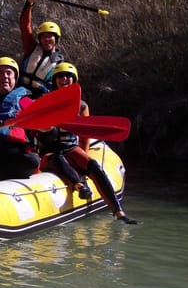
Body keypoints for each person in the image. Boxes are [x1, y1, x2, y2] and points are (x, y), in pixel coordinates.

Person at [38, 62, 139, 224]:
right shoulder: (45, 102)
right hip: (49, 151)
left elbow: (85, 136)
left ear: (74, 80)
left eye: (68, 76)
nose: (64, 79)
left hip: (70, 148)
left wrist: (83, 160)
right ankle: (79, 185)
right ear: (55, 80)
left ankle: (119, 212)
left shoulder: (82, 106)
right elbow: (36, 131)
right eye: (60, 76)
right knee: (57, 158)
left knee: (93, 165)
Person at [0, 57, 40, 181]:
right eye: (0, 73)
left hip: (14, 153)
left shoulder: (25, 102)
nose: (5, 76)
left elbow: (46, 132)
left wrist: (48, 130)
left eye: (8, 73)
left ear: (15, 80)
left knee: (31, 160)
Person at [18, 0, 64, 98]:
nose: (47, 39)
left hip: (41, 96)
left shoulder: (60, 63)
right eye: (44, 36)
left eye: (50, 36)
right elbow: (25, 25)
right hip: (20, 91)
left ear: (56, 39)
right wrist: (30, 2)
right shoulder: (31, 47)